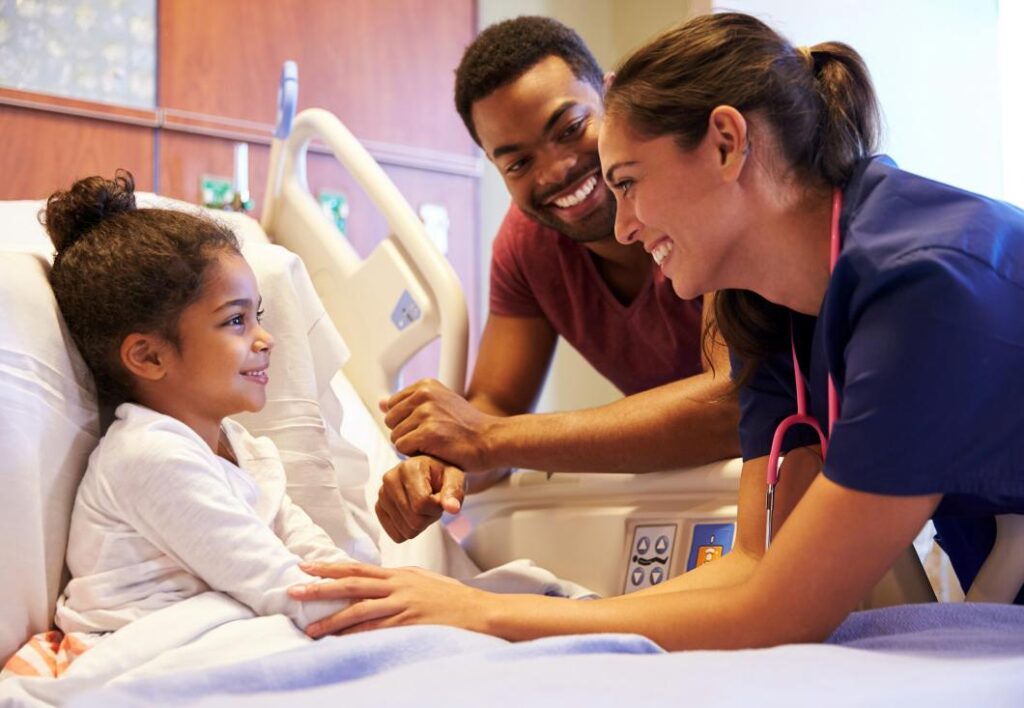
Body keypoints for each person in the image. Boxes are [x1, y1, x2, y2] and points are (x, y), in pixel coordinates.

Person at [291, 12, 1024, 649]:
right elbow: (752, 567)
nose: (626, 224)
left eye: (629, 182)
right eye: (516, 160)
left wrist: (487, 614)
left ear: (728, 143)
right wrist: (534, 615)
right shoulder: (771, 307)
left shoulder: (924, 287)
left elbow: (782, 612)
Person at [374, 16, 740, 544]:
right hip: (701, 493)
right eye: (518, 162)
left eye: (570, 129)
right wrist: (442, 464)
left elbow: (729, 405)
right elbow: (495, 402)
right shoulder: (527, 248)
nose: (554, 171)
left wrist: (487, 438)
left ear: (611, 96)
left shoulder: (702, 191)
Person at [35, 173, 355, 654]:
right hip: (150, 652)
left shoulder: (240, 448)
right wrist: (417, 618)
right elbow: (285, 587)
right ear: (149, 357)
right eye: (235, 320)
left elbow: (318, 563)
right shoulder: (148, 456)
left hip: (223, 636)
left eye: (258, 317)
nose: (265, 339)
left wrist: (393, 591)